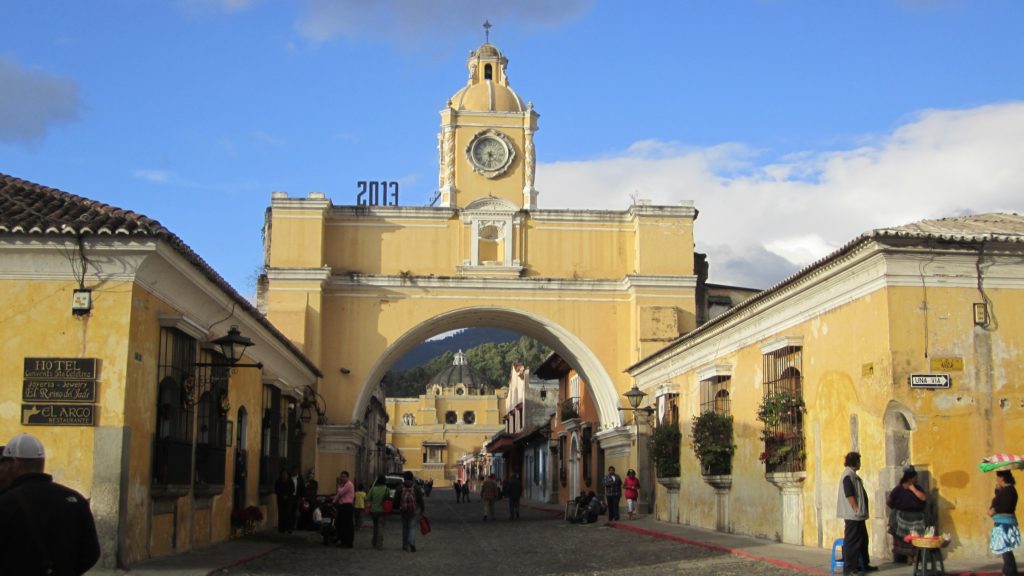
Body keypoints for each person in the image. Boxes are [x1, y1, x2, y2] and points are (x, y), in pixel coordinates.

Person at [0, 433, 101, 575]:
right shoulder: (75, 499)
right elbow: (92, 552)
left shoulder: (6, 502)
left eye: (5, 462)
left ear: (15, 463)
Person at [837, 451, 878, 575]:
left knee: (863, 540)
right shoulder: (848, 476)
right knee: (852, 542)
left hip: (858, 517)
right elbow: (849, 494)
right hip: (853, 516)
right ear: (855, 462)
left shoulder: (853, 475)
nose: (860, 464)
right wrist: (856, 508)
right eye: (859, 461)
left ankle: (863, 564)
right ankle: (850, 569)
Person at [886, 467, 928, 563]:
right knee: (903, 537)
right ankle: (906, 557)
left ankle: (914, 556)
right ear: (910, 478)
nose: (916, 479)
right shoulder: (898, 489)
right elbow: (889, 500)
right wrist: (895, 508)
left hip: (916, 519)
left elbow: (923, 498)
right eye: (915, 478)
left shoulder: (918, 488)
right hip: (902, 518)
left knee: (916, 536)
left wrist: (913, 489)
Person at [989, 470, 1019, 576]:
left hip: (1005, 524)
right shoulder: (1006, 490)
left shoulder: (1009, 490)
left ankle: (1010, 572)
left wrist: (994, 510)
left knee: (1006, 550)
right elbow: (1000, 500)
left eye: (998, 477)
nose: (996, 479)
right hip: (1002, 523)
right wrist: (998, 490)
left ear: (1002, 478)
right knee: (1005, 550)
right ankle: (1008, 571)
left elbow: (1005, 506)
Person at [399, 471, 425, 552]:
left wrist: (397, 507)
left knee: (405, 528)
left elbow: (396, 498)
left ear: (404, 478)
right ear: (412, 478)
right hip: (413, 510)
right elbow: (420, 499)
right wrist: (422, 508)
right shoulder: (416, 487)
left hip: (403, 510)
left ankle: (405, 545)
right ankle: (412, 543)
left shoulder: (400, 487)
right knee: (412, 527)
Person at [333, 471, 355, 548]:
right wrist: (333, 501)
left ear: (348, 477)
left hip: (347, 506)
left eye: (344, 477)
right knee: (341, 525)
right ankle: (343, 541)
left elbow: (341, 493)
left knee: (347, 525)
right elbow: (338, 495)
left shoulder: (349, 484)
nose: (342, 478)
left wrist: (339, 488)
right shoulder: (344, 485)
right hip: (342, 506)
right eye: (341, 477)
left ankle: (348, 543)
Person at [367, 475, 390, 550]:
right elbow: (388, 499)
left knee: (375, 526)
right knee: (380, 527)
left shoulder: (373, 489)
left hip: (373, 510)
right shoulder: (387, 489)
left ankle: (374, 541)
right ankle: (379, 544)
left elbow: (368, 498)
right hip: (382, 511)